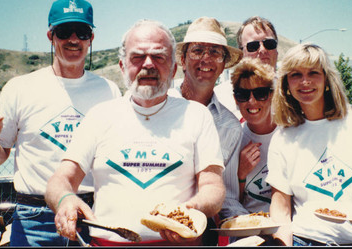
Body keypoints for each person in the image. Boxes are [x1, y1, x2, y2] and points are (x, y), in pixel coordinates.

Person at [45, 19, 226, 246]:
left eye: (159, 57)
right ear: (122, 66)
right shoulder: (99, 116)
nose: (148, 65)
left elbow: (213, 187)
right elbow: (60, 179)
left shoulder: (197, 116)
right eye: (137, 57)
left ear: (173, 69)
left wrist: (190, 210)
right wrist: (65, 199)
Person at [0, 0, 121, 246]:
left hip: (92, 217)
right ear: (50, 36)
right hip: (35, 220)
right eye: (64, 31)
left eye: (82, 32)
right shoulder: (20, 88)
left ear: (91, 38)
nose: (73, 39)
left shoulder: (109, 90)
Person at [266, 43, 352, 246]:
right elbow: (281, 208)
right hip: (305, 240)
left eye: (313, 73)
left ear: (327, 80)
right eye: (295, 74)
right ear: (286, 84)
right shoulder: (282, 139)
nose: (305, 81)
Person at [169, 17, 243, 242]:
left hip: (201, 231)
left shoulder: (230, 126)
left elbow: (227, 195)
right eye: (197, 50)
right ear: (182, 60)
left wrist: (246, 223)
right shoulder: (158, 107)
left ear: (223, 65)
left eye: (215, 52)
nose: (206, 59)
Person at [230, 58, 276, 214]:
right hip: (249, 227)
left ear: (271, 95)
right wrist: (240, 174)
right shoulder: (233, 140)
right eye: (243, 94)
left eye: (260, 93)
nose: (251, 101)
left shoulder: (290, 135)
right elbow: (230, 204)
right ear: (236, 99)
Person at [214, 16, 279, 120]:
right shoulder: (220, 97)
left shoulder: (294, 92)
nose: (262, 50)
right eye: (253, 46)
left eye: (269, 44)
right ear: (241, 53)